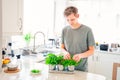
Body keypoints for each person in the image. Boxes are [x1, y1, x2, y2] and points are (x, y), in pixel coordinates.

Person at [61, 6, 95, 72]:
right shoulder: (64, 30)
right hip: (66, 68)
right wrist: (64, 52)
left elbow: (92, 51)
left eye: (72, 19)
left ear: (78, 16)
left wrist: (80, 56)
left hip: (81, 69)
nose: (70, 22)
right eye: (67, 20)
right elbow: (62, 47)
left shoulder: (87, 30)